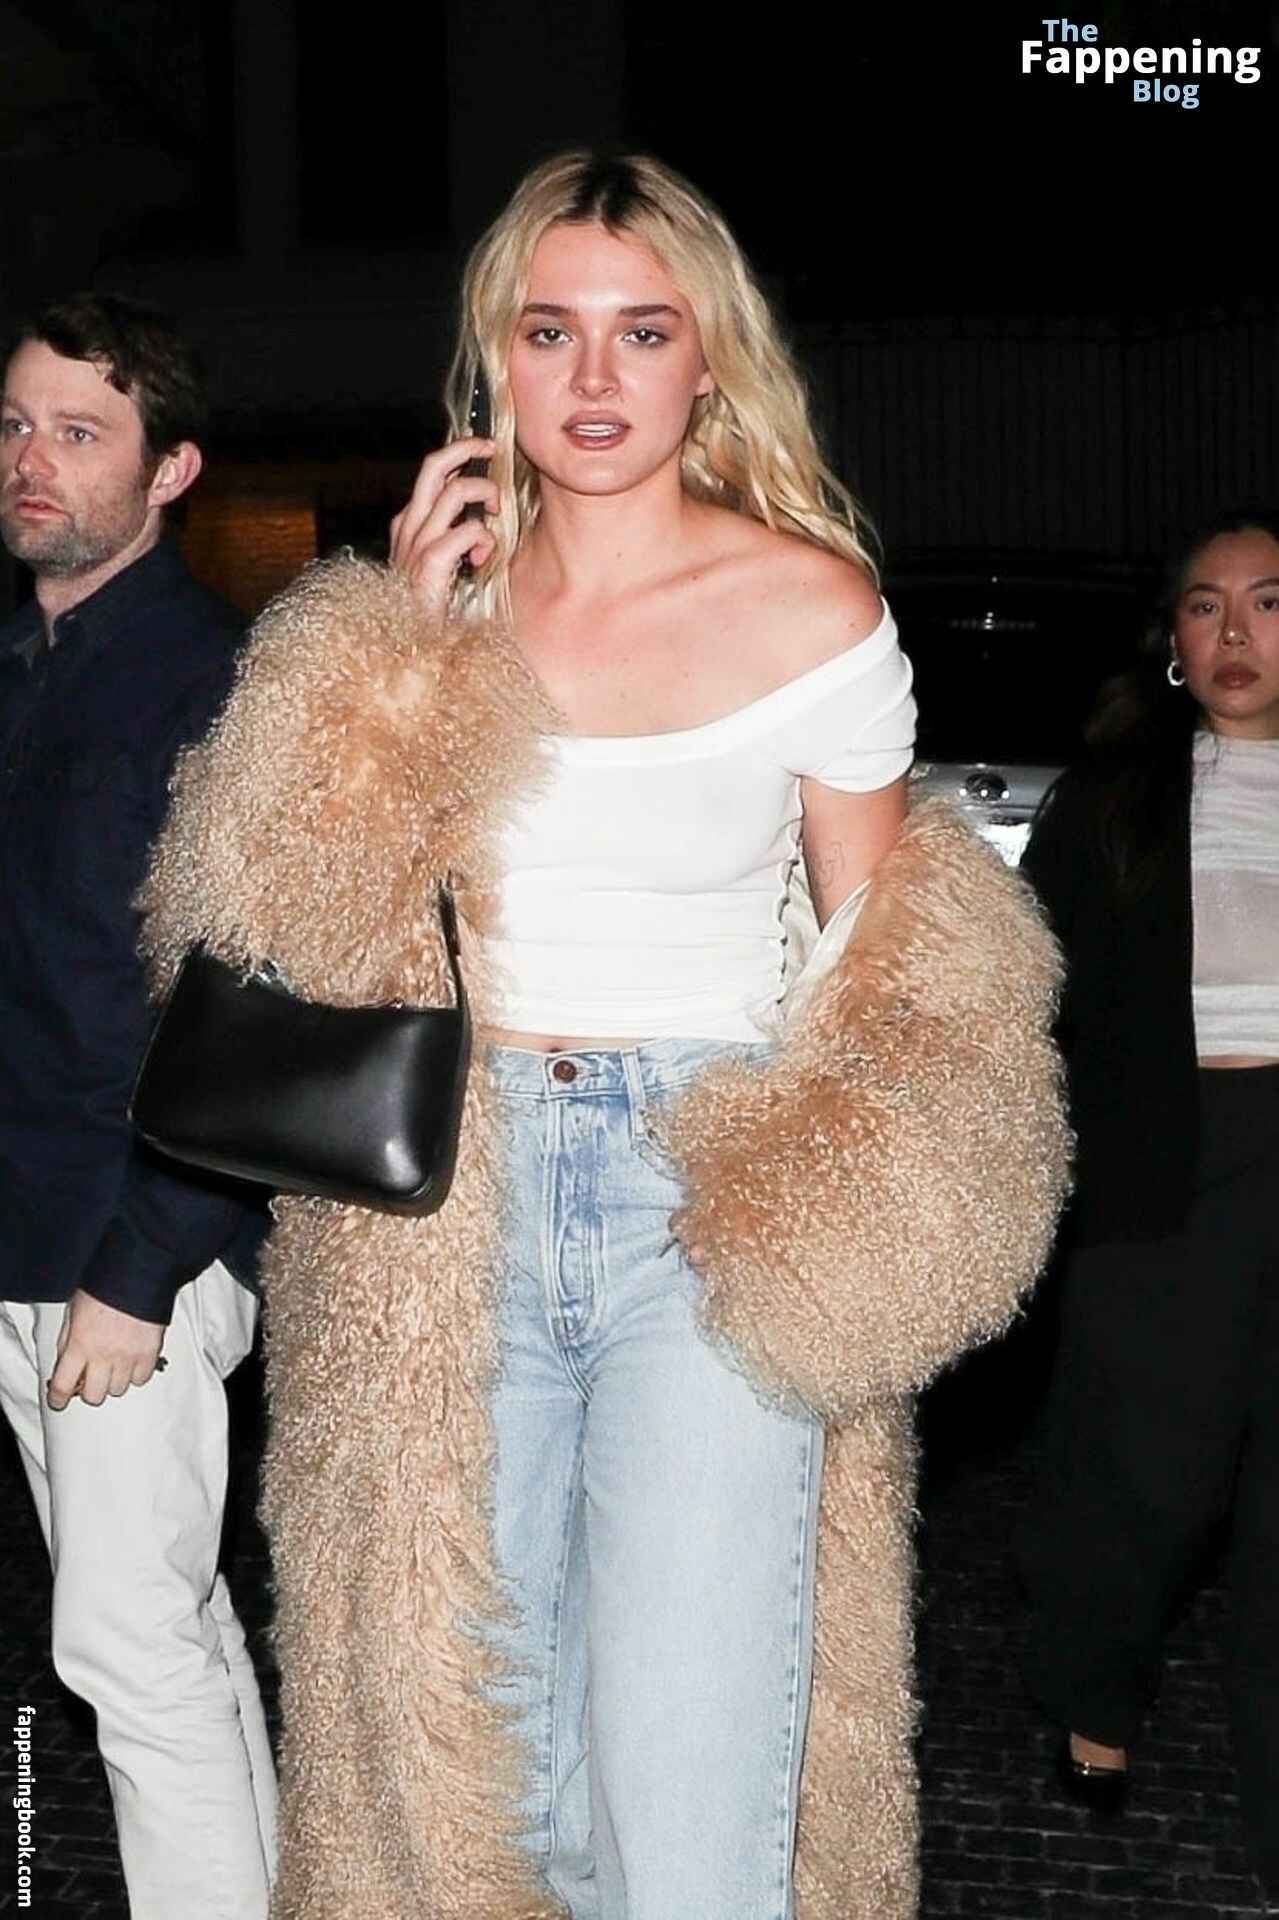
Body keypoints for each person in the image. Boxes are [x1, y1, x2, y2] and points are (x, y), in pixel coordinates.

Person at [138, 153, 1068, 1920]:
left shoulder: (813, 610)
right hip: (438, 1210)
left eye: (642, 332)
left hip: (703, 1194)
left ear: (708, 361)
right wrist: (395, 666)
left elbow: (892, 977)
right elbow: (277, 927)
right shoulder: (427, 608)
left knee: (687, 1794)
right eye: (549, 329)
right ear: (495, 355)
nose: (592, 375)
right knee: (483, 1793)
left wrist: (825, 1219)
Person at [0, 293, 277, 1918]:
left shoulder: (215, 683)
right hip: (31, 1235)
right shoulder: (23, 664)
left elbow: (252, 1004)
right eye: (16, 424)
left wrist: (147, 1260)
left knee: (121, 1645)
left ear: (171, 471)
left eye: (80, 433)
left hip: (129, 1250)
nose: (32, 461)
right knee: (168, 1625)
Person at [1015, 509, 1279, 1904]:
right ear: (1173, 639)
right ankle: (1094, 1694)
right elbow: (1032, 1000)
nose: (1236, 633)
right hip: (1171, 1156)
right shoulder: (1115, 799)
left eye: (1269, 603)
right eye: (1205, 606)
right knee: (1144, 1476)